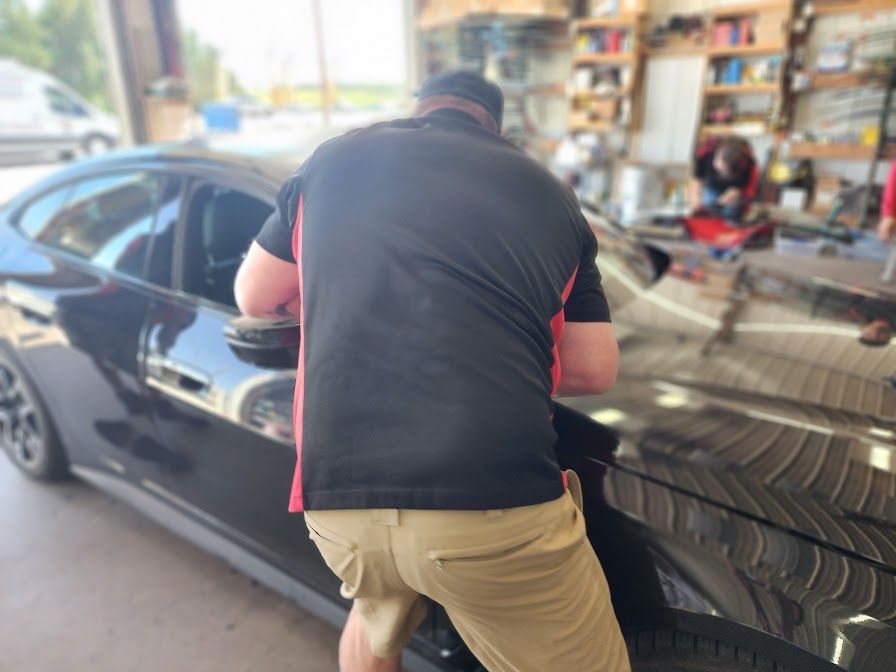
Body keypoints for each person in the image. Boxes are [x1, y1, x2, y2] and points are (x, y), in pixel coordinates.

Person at [233, 70, 628, 672]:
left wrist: (337, 306)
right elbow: (594, 367)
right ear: (495, 126)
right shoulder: (547, 191)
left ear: (420, 110)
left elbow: (254, 297)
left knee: (372, 618)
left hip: (339, 505)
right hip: (489, 508)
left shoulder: (334, 161)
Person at [691, 135, 760, 221]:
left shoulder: (748, 164)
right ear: (718, 152)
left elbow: (745, 189)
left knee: (731, 212)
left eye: (725, 171)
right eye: (720, 168)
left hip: (733, 193)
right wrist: (697, 200)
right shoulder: (706, 151)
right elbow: (697, 178)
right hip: (711, 186)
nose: (720, 171)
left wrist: (735, 193)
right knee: (707, 209)